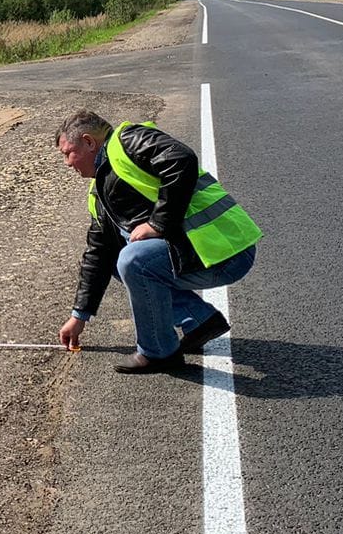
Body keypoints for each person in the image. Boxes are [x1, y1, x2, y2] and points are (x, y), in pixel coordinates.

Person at [55, 108, 261, 373]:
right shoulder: (99, 193)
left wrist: (158, 224)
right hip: (203, 253)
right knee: (117, 258)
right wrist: (79, 316)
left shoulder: (127, 141)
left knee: (134, 260)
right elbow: (98, 254)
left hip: (226, 250)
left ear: (88, 142)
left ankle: (158, 352)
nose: (67, 163)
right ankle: (199, 320)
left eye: (68, 153)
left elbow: (181, 160)